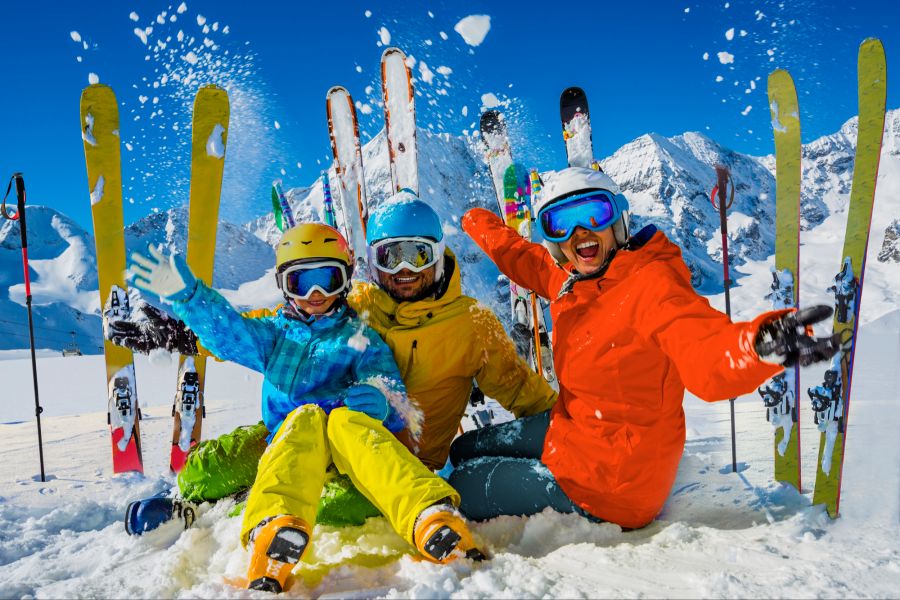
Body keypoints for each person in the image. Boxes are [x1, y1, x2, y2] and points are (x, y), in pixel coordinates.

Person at [115, 192, 556, 530]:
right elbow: (263, 332)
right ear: (370, 263)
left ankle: (247, 508)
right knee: (222, 461)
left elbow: (521, 389)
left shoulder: (473, 324)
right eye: (389, 256)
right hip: (297, 437)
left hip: (398, 458)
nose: (403, 270)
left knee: (338, 503)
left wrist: (567, 426)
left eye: (417, 254)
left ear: (439, 254)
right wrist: (183, 324)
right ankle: (206, 494)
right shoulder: (359, 302)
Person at [452, 166, 839, 529]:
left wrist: (755, 346)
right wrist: (474, 220)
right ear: (552, 240)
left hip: (613, 485)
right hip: (574, 434)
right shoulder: (572, 279)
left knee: (462, 483)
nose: (579, 232)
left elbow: (704, 349)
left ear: (618, 220)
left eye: (593, 213)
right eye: (560, 223)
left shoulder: (650, 285)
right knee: (466, 447)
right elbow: (521, 257)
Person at [128, 223, 484, 593]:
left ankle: (428, 516)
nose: (316, 294)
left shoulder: (360, 338)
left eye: (327, 279)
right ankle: (250, 513)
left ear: (344, 280)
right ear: (284, 285)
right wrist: (191, 298)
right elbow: (231, 335)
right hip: (283, 441)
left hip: (347, 450)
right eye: (302, 282)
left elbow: (392, 389)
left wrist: (383, 401)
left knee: (343, 445)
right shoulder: (275, 334)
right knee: (210, 467)